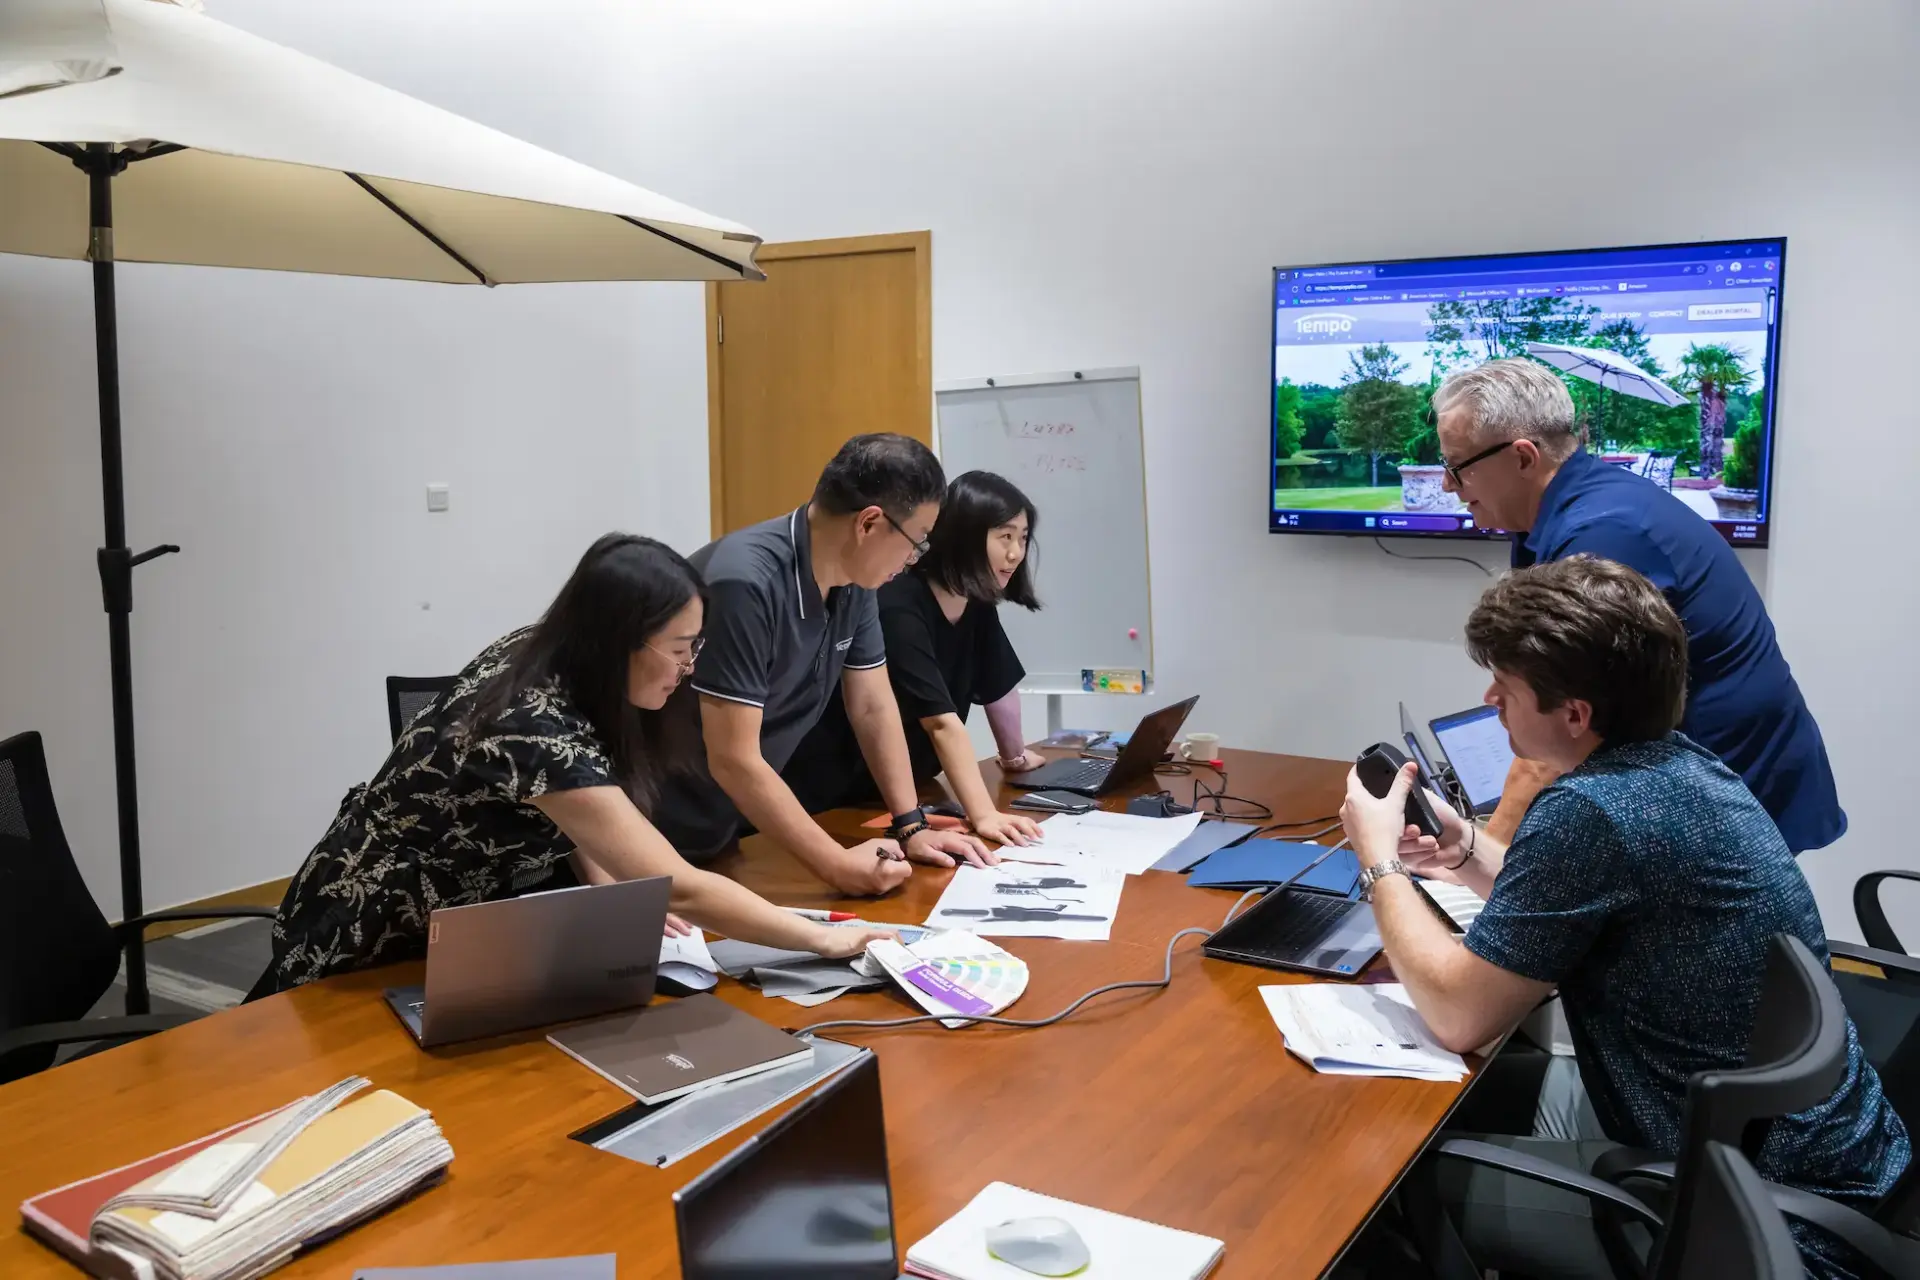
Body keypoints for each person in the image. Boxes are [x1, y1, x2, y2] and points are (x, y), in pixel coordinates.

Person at [1339, 556, 1907, 1280]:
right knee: (1463, 1100)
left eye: (1505, 689)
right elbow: (1580, 895)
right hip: (1817, 1166)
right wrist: (1464, 849)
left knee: (1383, 1180)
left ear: (1575, 715)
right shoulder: (1679, 764)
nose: (1490, 700)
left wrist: (1379, 858)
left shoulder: (1591, 813)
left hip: (1758, 1222)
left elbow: (1457, 1014)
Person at [252, 535, 893, 996]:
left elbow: (575, 809)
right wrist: (825, 940)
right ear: (619, 642)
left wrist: (615, 884)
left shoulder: (563, 660)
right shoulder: (530, 722)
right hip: (367, 939)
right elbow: (683, 883)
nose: (689, 667)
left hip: (468, 934)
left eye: (695, 646)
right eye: (678, 649)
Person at [1430, 357, 1843, 854]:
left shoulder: (1604, 533)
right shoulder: (1551, 513)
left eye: (1457, 467)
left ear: (1522, 457)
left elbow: (1559, 710)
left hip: (1728, 788)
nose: (1448, 486)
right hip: (1688, 776)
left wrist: (1484, 858)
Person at [653, 434, 996, 896]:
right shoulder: (746, 583)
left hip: (720, 828)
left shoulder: (855, 581)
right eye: (917, 541)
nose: (914, 559)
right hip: (649, 823)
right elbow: (733, 758)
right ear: (870, 523)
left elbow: (873, 705)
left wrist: (911, 826)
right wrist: (837, 866)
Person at [782, 471, 1049, 840]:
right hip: (841, 794)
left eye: (1022, 538)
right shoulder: (898, 605)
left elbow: (997, 687)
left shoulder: (977, 605)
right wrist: (985, 815)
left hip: (914, 791)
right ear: (964, 534)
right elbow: (940, 722)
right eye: (1005, 536)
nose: (1016, 553)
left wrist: (1015, 756)